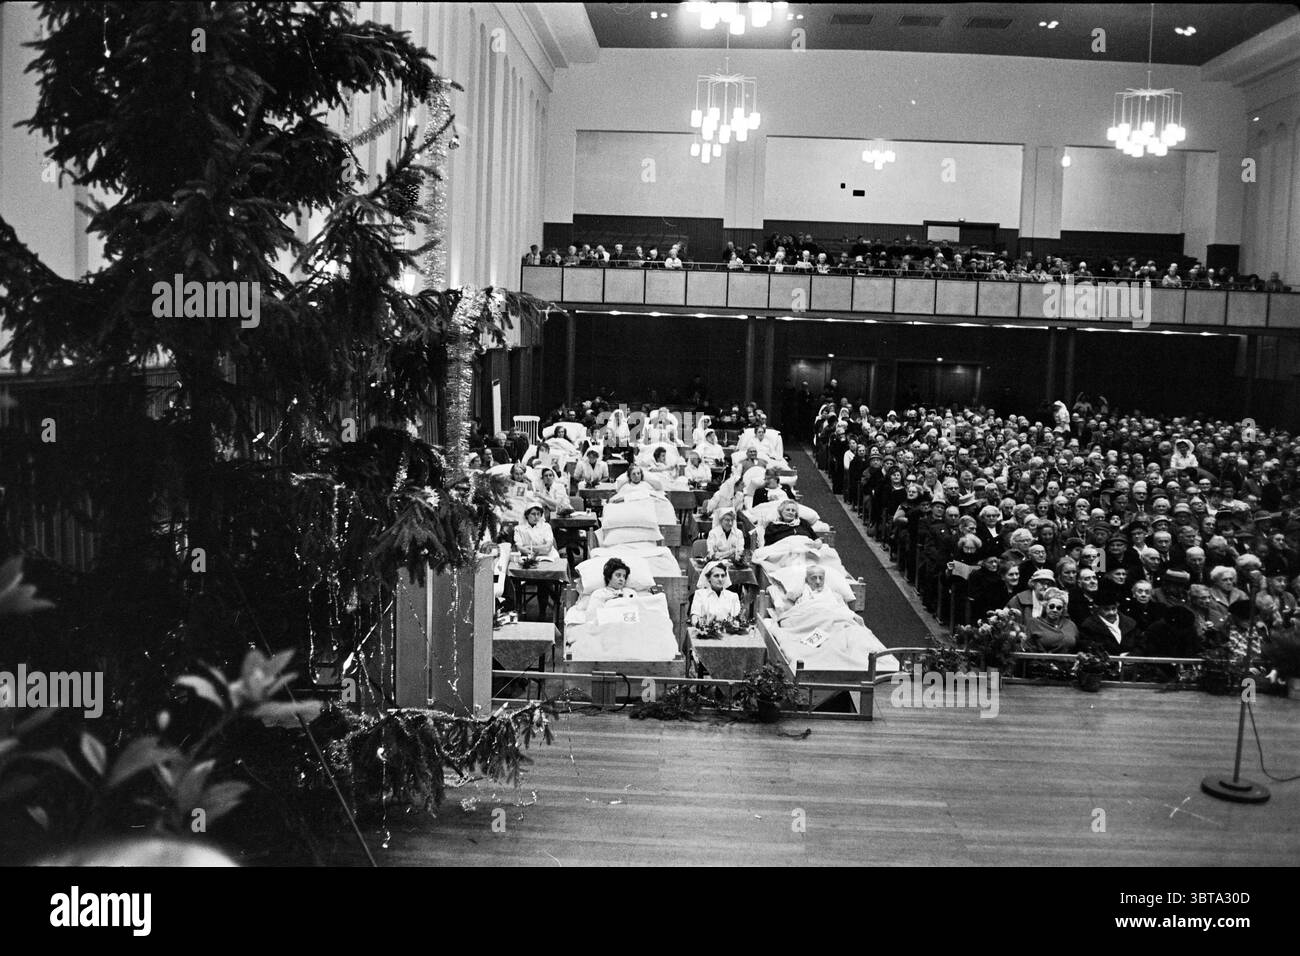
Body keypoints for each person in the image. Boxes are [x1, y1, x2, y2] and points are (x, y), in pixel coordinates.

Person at [690, 560, 743, 627]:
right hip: (706, 632)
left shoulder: (733, 596)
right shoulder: (700, 594)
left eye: (723, 576)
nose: (720, 579)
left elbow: (737, 619)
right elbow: (695, 616)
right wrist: (700, 624)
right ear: (708, 578)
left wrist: (734, 623)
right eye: (716, 576)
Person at [1026, 588, 1078, 652]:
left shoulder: (1071, 625)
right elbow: (1028, 646)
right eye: (1051, 606)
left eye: (1059, 608)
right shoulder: (1034, 623)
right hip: (1040, 660)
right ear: (1045, 606)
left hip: (1066, 660)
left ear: (1063, 610)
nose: (1054, 610)